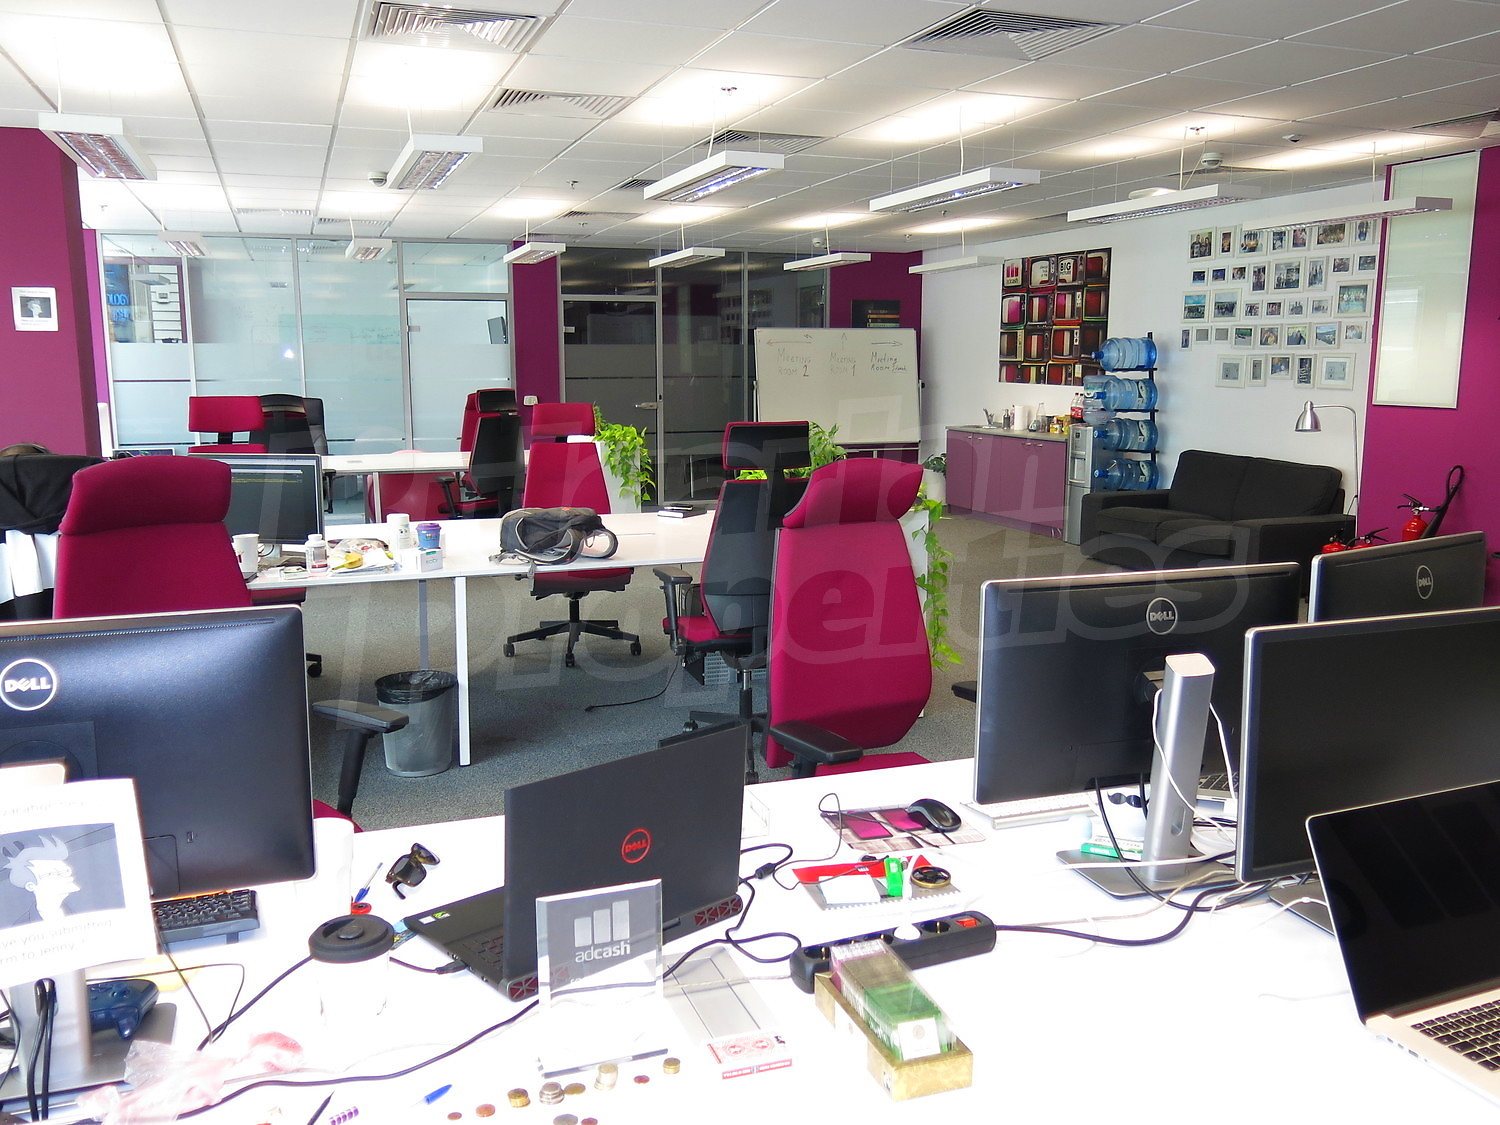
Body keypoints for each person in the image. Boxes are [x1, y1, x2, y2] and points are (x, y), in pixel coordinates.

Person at [3, 834, 79, 923]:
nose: (67, 877)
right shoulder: (21, 925)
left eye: (66, 871)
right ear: (31, 886)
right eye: (52, 873)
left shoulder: (78, 912)